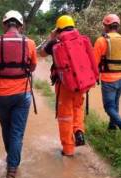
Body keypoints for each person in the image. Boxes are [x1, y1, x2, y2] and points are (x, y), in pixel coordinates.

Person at [0, 10, 37, 178]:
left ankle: (11, 163)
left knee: (7, 130)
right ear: (20, 26)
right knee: (16, 134)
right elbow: (32, 67)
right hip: (22, 95)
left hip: (1, 95)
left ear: (5, 25)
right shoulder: (29, 43)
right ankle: (12, 174)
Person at [38, 15, 98, 157]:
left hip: (64, 85)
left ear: (58, 28)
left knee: (65, 116)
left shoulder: (54, 43)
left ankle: (68, 149)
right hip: (81, 84)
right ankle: (79, 131)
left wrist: (51, 38)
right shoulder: (82, 40)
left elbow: (40, 54)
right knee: (77, 108)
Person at [94, 14, 121, 147]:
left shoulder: (101, 41)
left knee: (109, 107)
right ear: (117, 26)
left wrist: (94, 77)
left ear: (106, 26)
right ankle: (112, 127)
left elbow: (94, 62)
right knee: (115, 104)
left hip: (108, 80)